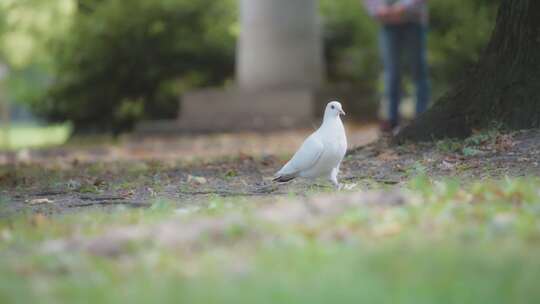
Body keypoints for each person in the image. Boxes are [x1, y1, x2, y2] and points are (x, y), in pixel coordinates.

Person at [363, 0, 430, 133]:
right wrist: (378, 8)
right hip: (388, 24)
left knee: (418, 71)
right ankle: (391, 120)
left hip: (414, 21)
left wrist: (403, 6)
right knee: (391, 74)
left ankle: (422, 118)